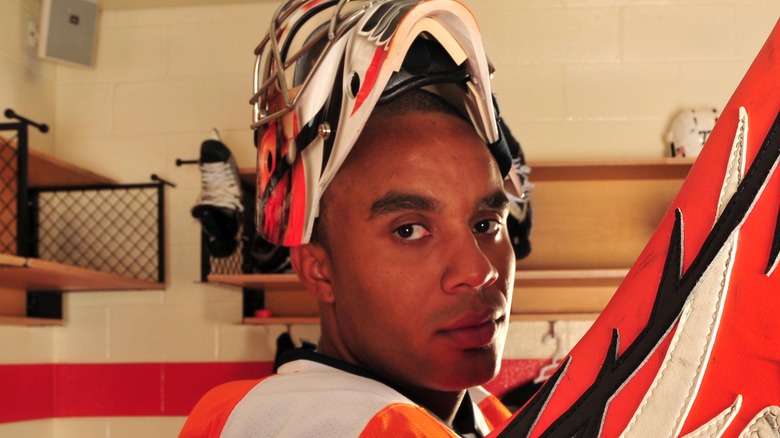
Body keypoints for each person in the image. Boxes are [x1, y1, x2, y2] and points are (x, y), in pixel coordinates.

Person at [180, 0, 531, 436]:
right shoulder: (322, 425)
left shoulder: (481, 414)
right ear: (318, 269)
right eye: (410, 230)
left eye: (486, 225)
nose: (479, 271)